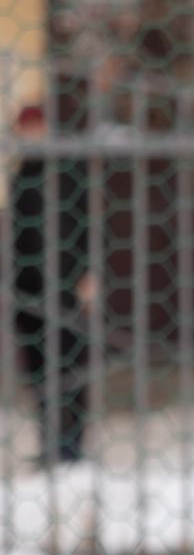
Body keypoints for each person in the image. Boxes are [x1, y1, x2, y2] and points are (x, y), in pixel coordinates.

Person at [8, 102, 93, 467]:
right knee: (40, 369)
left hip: (67, 286)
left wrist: (88, 273)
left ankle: (73, 445)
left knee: (71, 365)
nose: (30, 136)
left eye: (35, 128)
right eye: (24, 130)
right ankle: (50, 442)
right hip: (28, 290)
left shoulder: (68, 172)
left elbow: (86, 222)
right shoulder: (20, 177)